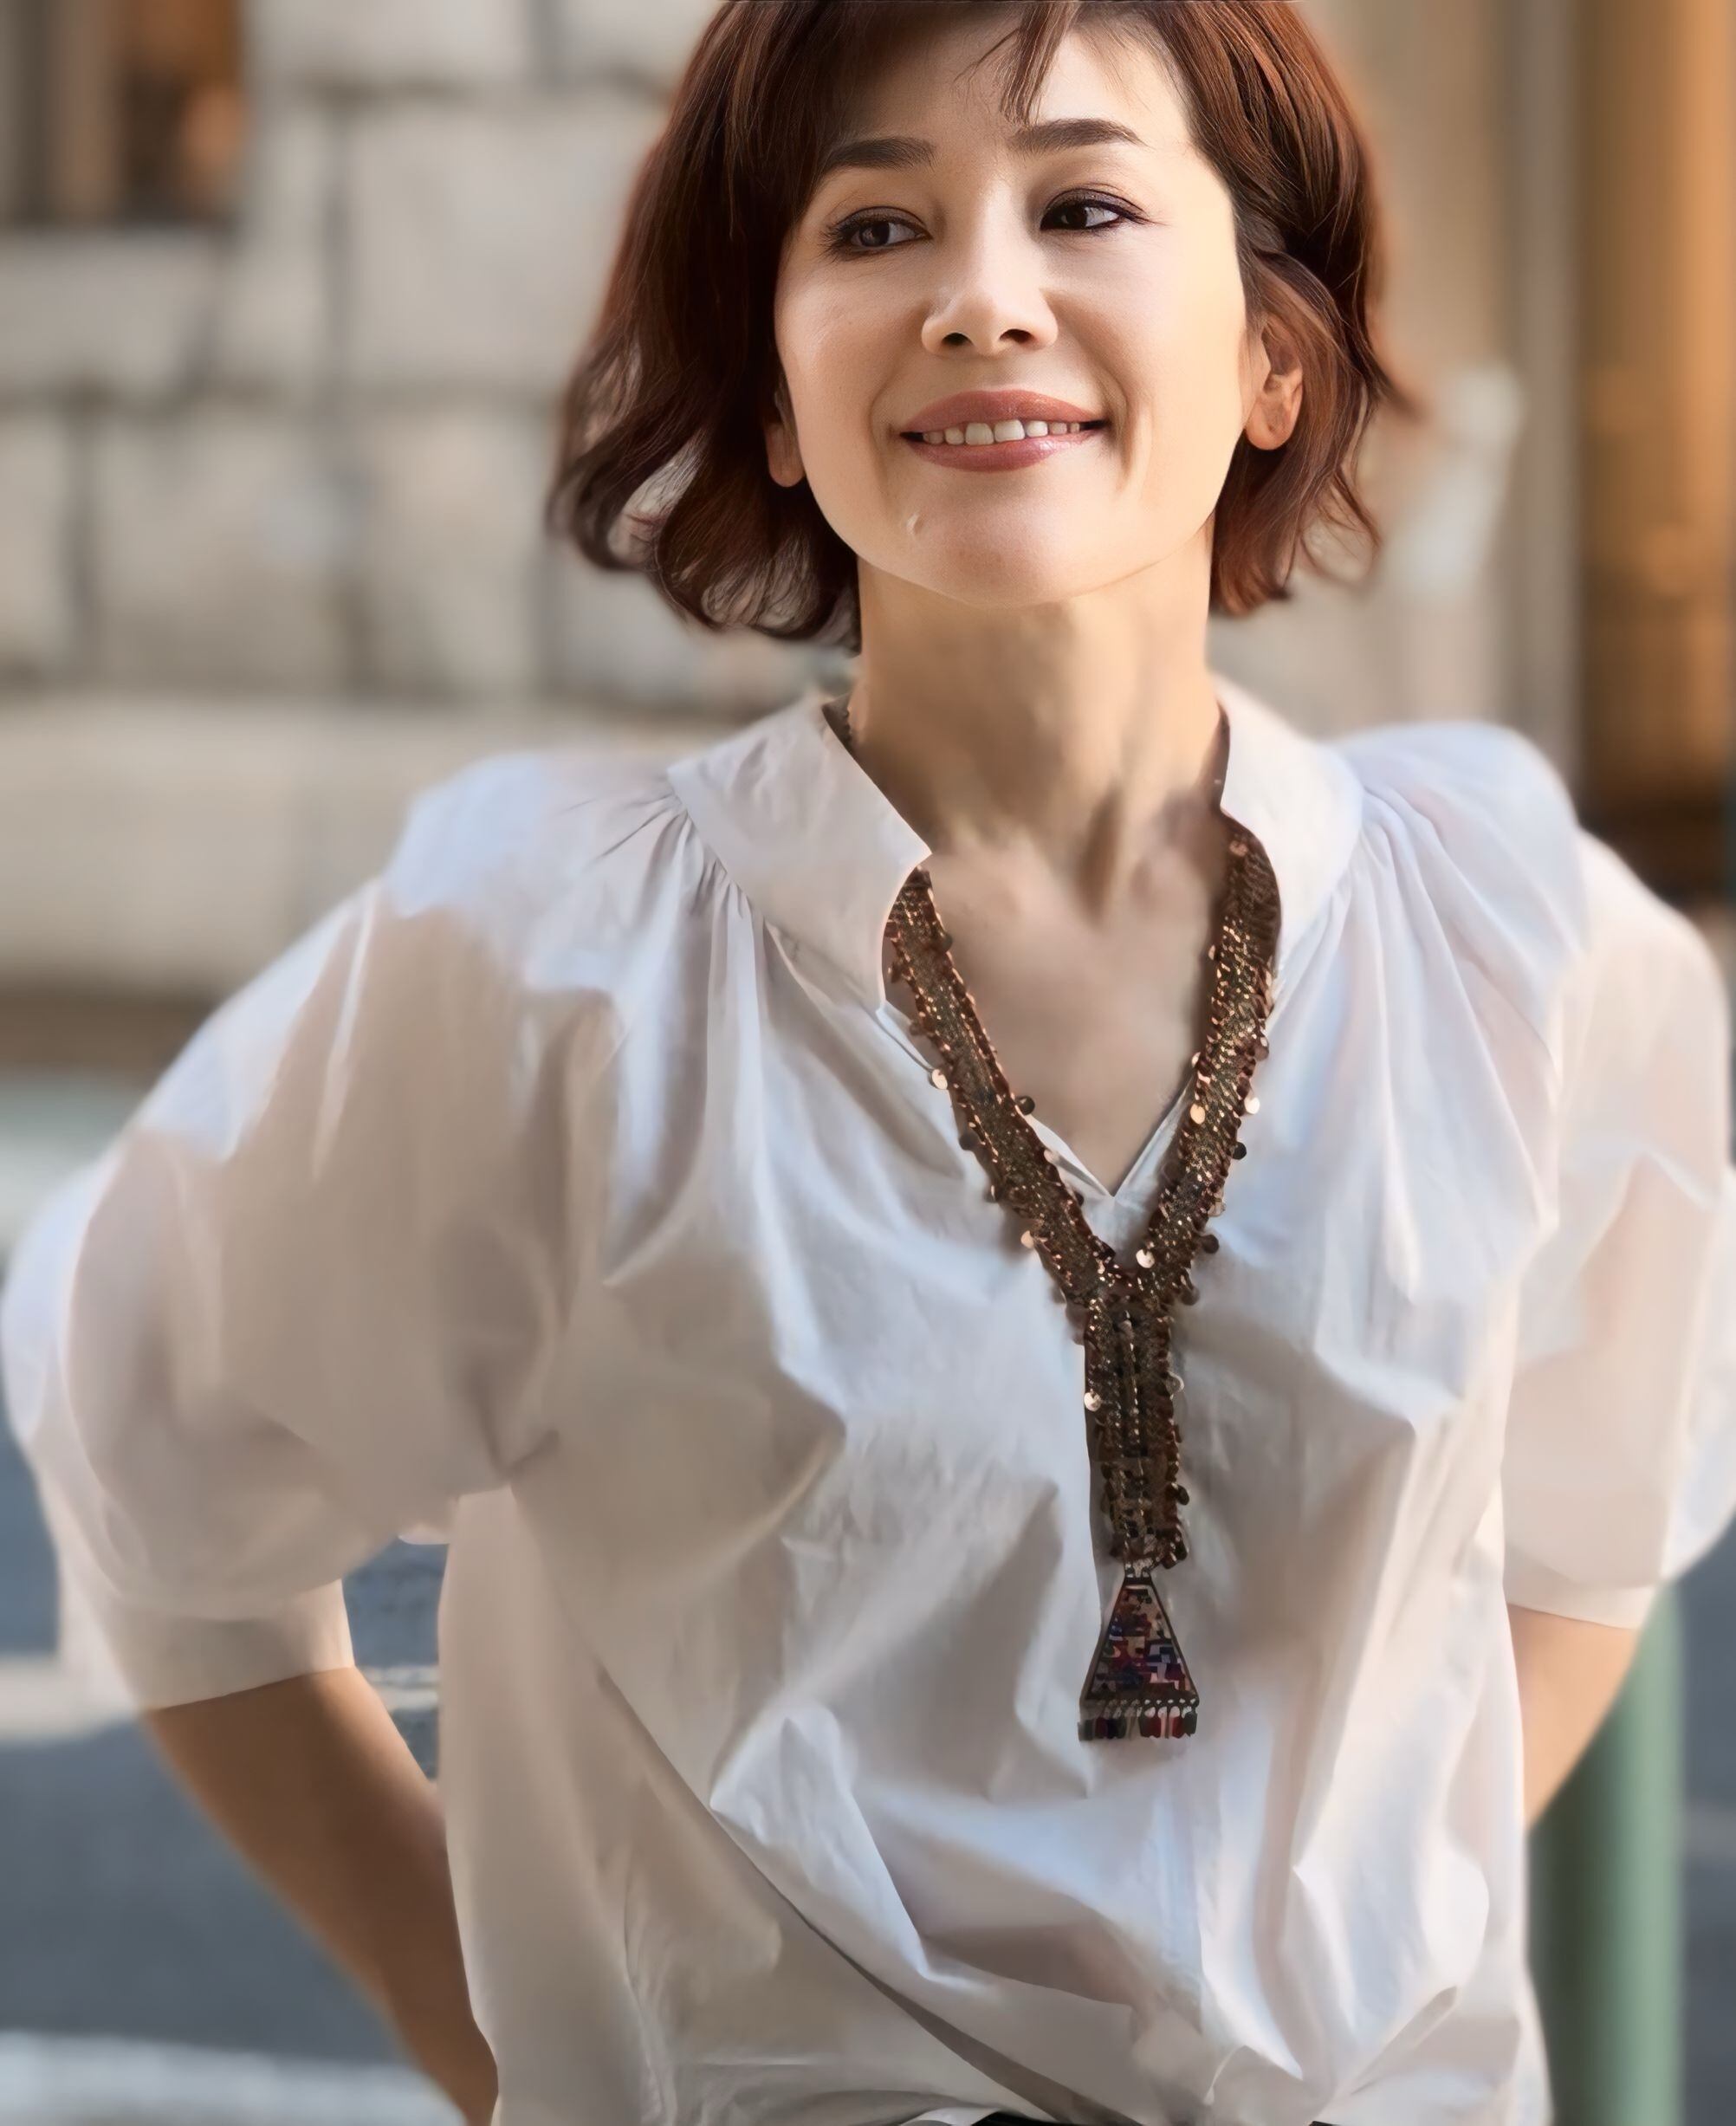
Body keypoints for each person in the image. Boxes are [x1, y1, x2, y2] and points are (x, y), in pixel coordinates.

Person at [4, 3, 1733, 2123]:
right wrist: (497, 2029)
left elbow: (1595, 1510)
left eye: (1083, 206)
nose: (983, 298)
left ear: (1275, 354)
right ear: (779, 394)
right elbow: (157, 1459)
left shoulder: (1507, 937)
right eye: (877, 227)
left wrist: (1337, 1948)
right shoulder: (552, 963)